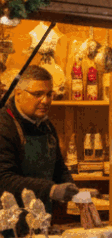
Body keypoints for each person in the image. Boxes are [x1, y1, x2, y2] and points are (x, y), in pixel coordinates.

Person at [0, 65, 78, 211]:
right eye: (38, 94)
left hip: (41, 218)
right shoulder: (4, 125)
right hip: (9, 223)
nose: (45, 101)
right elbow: (4, 180)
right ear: (18, 94)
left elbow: (58, 168)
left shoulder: (46, 126)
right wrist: (51, 190)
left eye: (49, 94)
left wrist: (72, 189)